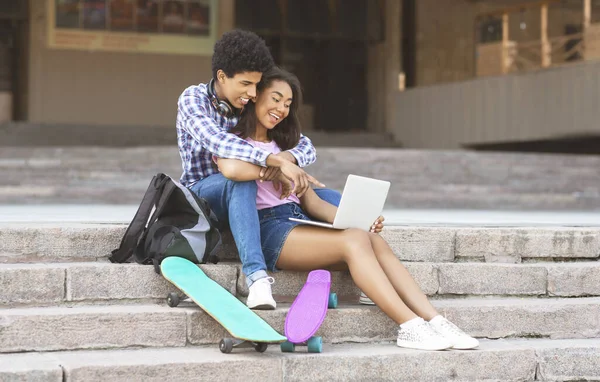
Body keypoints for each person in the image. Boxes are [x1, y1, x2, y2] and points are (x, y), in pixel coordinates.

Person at [213, 67, 480, 351]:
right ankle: (409, 326)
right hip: (268, 230)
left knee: (369, 237)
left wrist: (359, 221)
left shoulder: (285, 145)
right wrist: (274, 169)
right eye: (275, 99)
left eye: (288, 104)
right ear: (254, 97)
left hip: (296, 221)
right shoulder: (233, 142)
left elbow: (312, 202)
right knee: (353, 240)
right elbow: (229, 170)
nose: (281, 109)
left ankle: (435, 320)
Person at [176, 29, 340, 311]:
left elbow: (306, 145)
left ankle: (358, 262)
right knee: (239, 183)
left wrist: (287, 159)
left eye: (256, 86)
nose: (252, 93)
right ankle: (256, 278)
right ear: (222, 76)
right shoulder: (193, 100)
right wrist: (274, 164)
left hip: (249, 194)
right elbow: (220, 142)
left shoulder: (245, 102)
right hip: (204, 195)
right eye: (245, 84)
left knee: (329, 196)